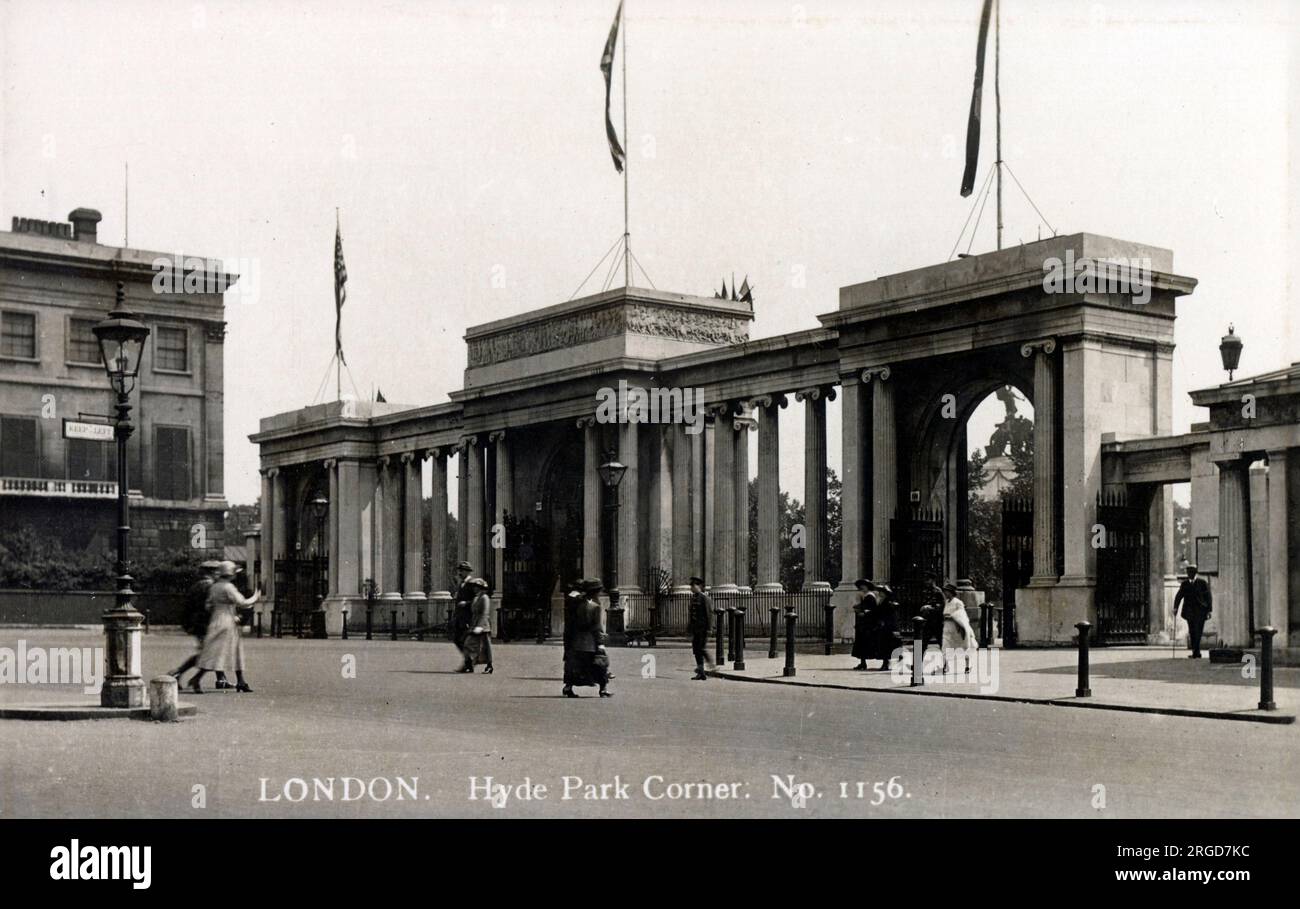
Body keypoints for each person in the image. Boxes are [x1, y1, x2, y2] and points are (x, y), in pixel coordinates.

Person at [189, 561, 260, 694]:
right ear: (230, 573)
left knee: (215, 652)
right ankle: (197, 679)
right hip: (227, 621)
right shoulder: (228, 587)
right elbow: (242, 602)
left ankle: (241, 681)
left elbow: (208, 605)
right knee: (229, 652)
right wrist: (255, 597)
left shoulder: (215, 587)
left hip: (216, 619)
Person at [170, 560, 224, 686]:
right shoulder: (210, 587)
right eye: (216, 572)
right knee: (210, 653)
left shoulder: (197, 586)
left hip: (197, 624)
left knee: (210, 652)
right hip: (206, 624)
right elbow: (209, 607)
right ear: (211, 572)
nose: (218, 574)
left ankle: (183, 675)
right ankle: (178, 674)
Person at [563, 578, 611, 698]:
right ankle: (603, 689)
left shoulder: (574, 604)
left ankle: (568, 687)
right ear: (595, 592)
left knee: (574, 666)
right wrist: (600, 643)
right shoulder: (594, 606)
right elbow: (596, 627)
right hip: (590, 641)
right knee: (599, 665)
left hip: (576, 640)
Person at [1174, 563, 1213, 658]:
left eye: (1191, 572)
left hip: (1201, 611)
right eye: (1188, 572)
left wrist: (1209, 610)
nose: (1189, 574)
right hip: (1189, 612)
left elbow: (1208, 597)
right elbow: (1179, 596)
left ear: (1195, 573)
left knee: (1198, 631)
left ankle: (1196, 652)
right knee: (1192, 631)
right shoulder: (1185, 584)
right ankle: (1196, 652)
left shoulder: (1202, 583)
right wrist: (1175, 607)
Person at [940, 581, 978, 676]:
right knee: (945, 646)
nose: (945, 594)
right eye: (944, 592)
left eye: (946, 592)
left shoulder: (958, 602)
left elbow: (962, 615)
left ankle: (967, 666)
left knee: (964, 646)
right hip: (947, 628)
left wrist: (952, 616)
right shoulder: (946, 602)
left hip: (957, 628)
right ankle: (945, 666)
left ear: (951, 592)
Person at [459, 577, 494, 673]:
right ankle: (469, 665)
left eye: (477, 587)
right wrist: (466, 603)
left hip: (482, 626)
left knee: (485, 647)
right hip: (474, 625)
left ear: (481, 588)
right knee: (468, 644)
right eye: (474, 587)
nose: (475, 588)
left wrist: (480, 626)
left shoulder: (485, 598)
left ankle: (489, 666)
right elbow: (473, 605)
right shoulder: (476, 597)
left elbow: (485, 613)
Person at [687, 576, 713, 680]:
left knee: (701, 649)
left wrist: (710, 628)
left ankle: (710, 665)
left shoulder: (704, 598)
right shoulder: (694, 598)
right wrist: (689, 629)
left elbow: (709, 614)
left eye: (693, 586)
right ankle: (701, 672)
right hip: (696, 629)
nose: (691, 588)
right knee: (696, 651)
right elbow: (692, 616)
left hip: (703, 629)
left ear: (698, 586)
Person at [850, 578, 876, 670]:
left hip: (866, 623)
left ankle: (863, 662)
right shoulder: (865, 596)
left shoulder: (870, 596)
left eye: (863, 586)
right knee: (861, 643)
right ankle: (862, 662)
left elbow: (871, 609)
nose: (861, 588)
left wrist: (863, 612)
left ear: (867, 586)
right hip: (863, 623)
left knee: (864, 643)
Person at [451, 561, 475, 654]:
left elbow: (477, 599)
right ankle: (468, 660)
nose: (460, 573)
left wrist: (466, 603)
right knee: (457, 639)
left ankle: (469, 661)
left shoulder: (472, 583)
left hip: (468, 617)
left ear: (468, 572)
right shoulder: (461, 584)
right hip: (460, 617)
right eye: (459, 570)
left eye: (462, 571)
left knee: (464, 640)